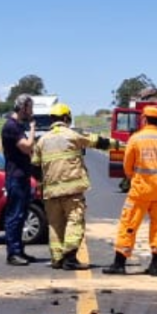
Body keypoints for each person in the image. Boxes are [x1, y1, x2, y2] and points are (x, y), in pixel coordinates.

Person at [31, 102, 120, 270]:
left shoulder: (42, 140)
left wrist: (42, 185)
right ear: (66, 118)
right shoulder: (72, 136)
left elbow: (35, 166)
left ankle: (57, 259)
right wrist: (119, 145)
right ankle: (70, 258)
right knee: (74, 221)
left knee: (55, 225)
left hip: (50, 192)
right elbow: (97, 141)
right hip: (71, 191)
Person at [103, 105, 157, 276]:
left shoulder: (136, 139)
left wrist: (132, 177)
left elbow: (127, 165)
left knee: (129, 223)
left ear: (144, 119)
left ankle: (119, 263)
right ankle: (155, 266)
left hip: (141, 188)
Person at [1, 94, 37, 266]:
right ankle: (13, 253)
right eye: (30, 107)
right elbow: (27, 147)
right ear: (23, 107)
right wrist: (32, 129)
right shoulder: (11, 127)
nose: (32, 111)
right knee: (14, 216)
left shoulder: (17, 126)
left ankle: (20, 250)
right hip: (15, 177)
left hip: (22, 176)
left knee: (21, 215)